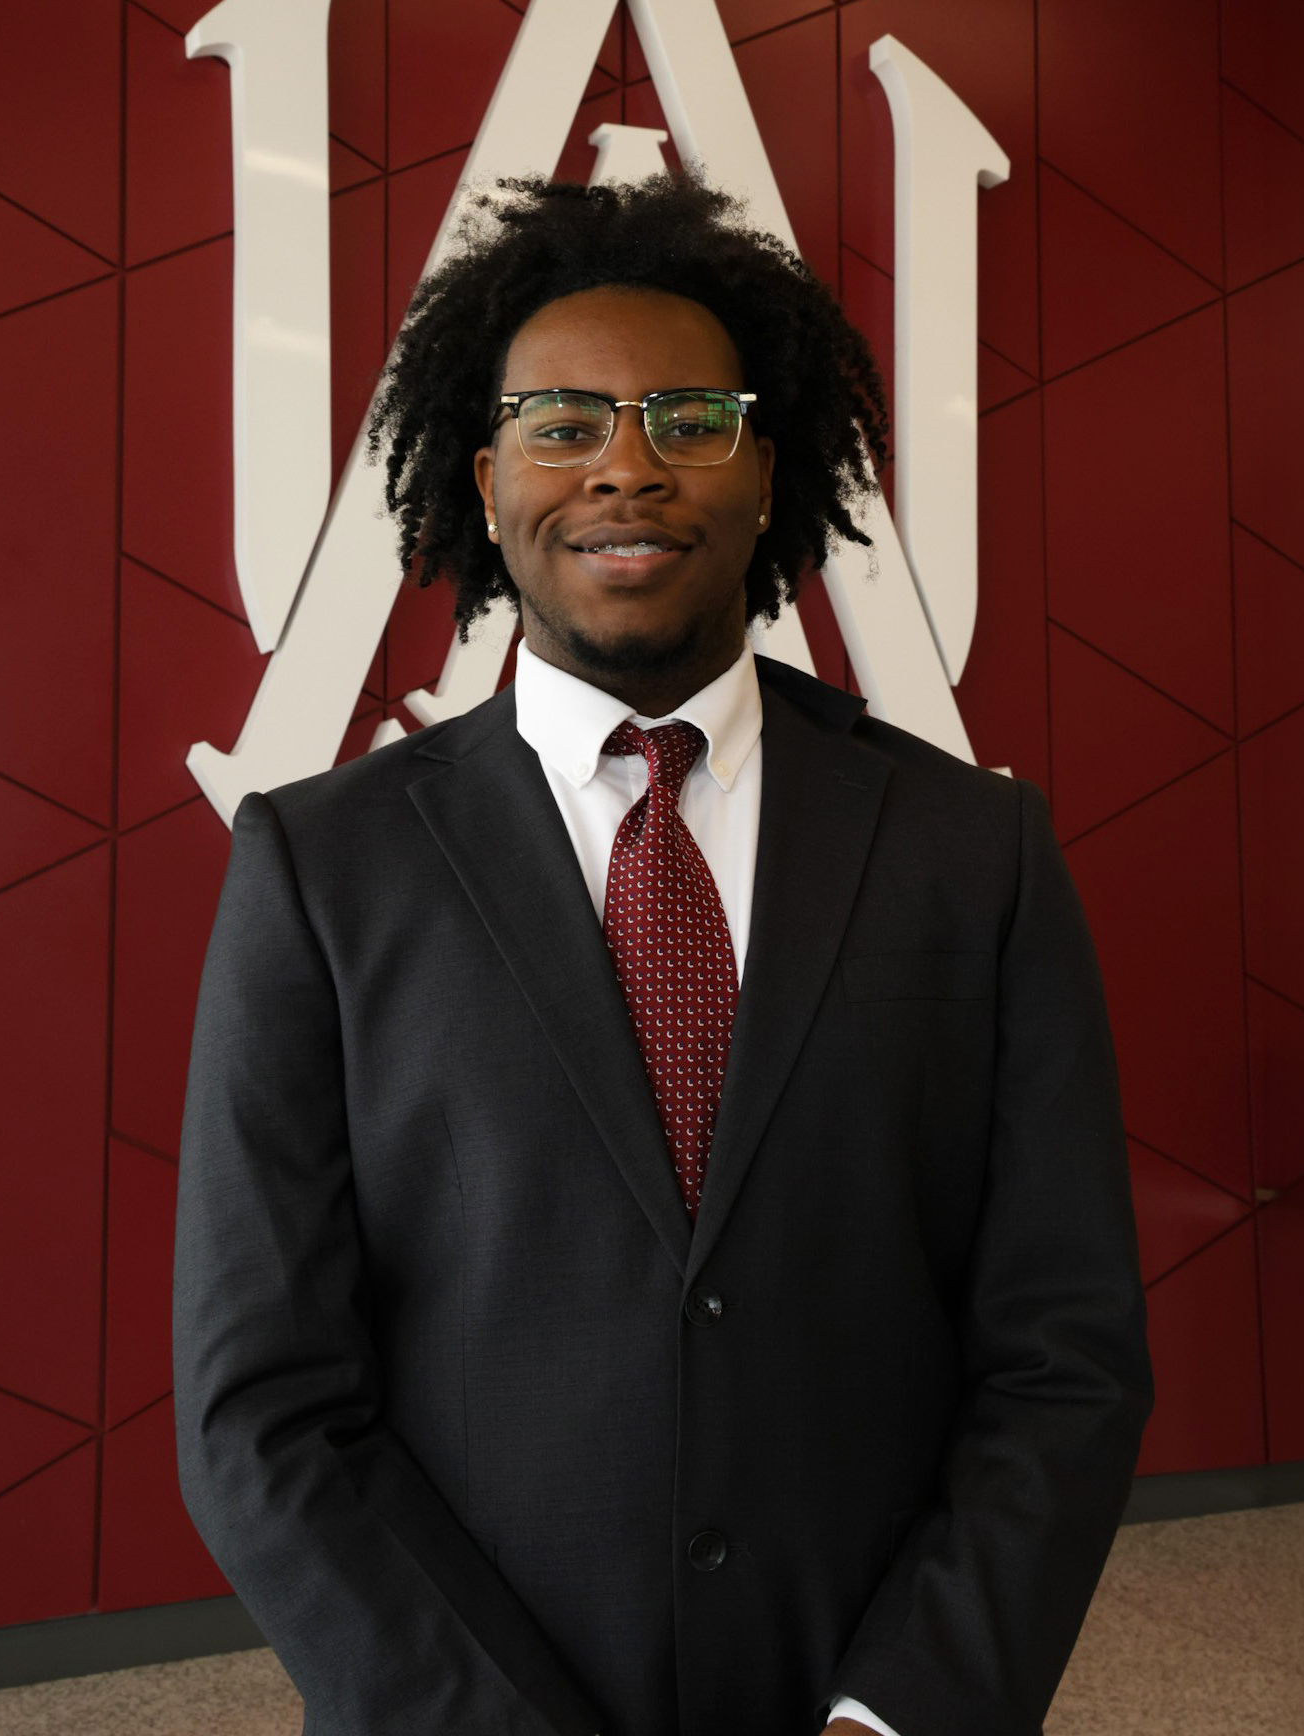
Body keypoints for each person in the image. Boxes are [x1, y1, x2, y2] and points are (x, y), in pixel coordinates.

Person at [173, 171, 1153, 1736]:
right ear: (486, 479)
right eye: (563, 426)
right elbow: (262, 1406)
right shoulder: (321, 869)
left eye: (688, 421)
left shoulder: (974, 852)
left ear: (766, 470)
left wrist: (903, 1708)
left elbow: (1064, 1353)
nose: (625, 469)